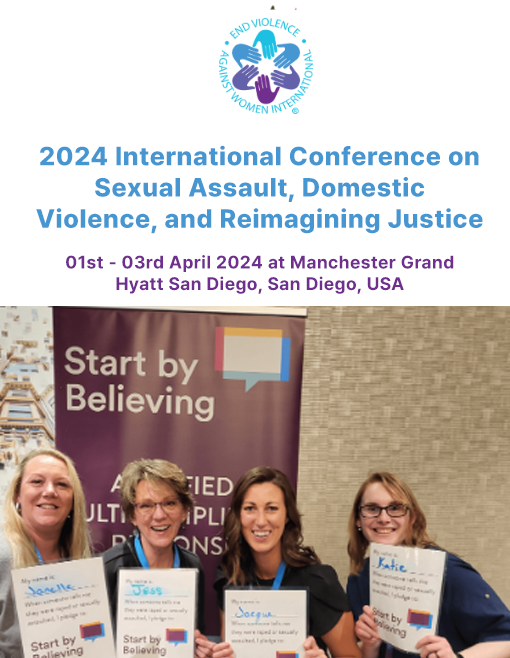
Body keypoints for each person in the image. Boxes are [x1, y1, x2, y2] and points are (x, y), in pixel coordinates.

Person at [347, 472, 510, 658]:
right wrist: (370, 646)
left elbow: (506, 638)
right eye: (372, 508)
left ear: (412, 518)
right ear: (358, 519)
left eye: (395, 508)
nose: (383, 518)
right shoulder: (359, 578)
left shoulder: (447, 571)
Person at [212, 466, 361, 658]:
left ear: (287, 515)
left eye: (271, 508)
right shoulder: (231, 574)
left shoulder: (319, 582)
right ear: (238, 516)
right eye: (250, 508)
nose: (260, 521)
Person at [102, 459, 214, 658]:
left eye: (170, 503)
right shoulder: (108, 567)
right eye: (146, 506)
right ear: (133, 515)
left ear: (184, 511)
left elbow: (194, 635)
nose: (159, 515)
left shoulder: (192, 565)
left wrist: (199, 650)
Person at [1, 447, 92, 658]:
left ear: (73, 500)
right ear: (17, 494)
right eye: (37, 481)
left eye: (62, 484)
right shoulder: (3, 555)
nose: (50, 491)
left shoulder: (78, 558)